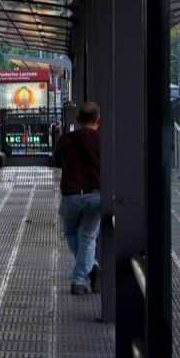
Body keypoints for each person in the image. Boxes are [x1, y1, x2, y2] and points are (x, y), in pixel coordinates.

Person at [54, 100, 102, 295]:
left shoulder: (65, 141)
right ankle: (87, 271)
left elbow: (57, 162)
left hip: (70, 197)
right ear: (98, 121)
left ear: (77, 119)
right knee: (88, 238)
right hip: (95, 197)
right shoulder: (102, 141)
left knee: (71, 234)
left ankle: (81, 277)